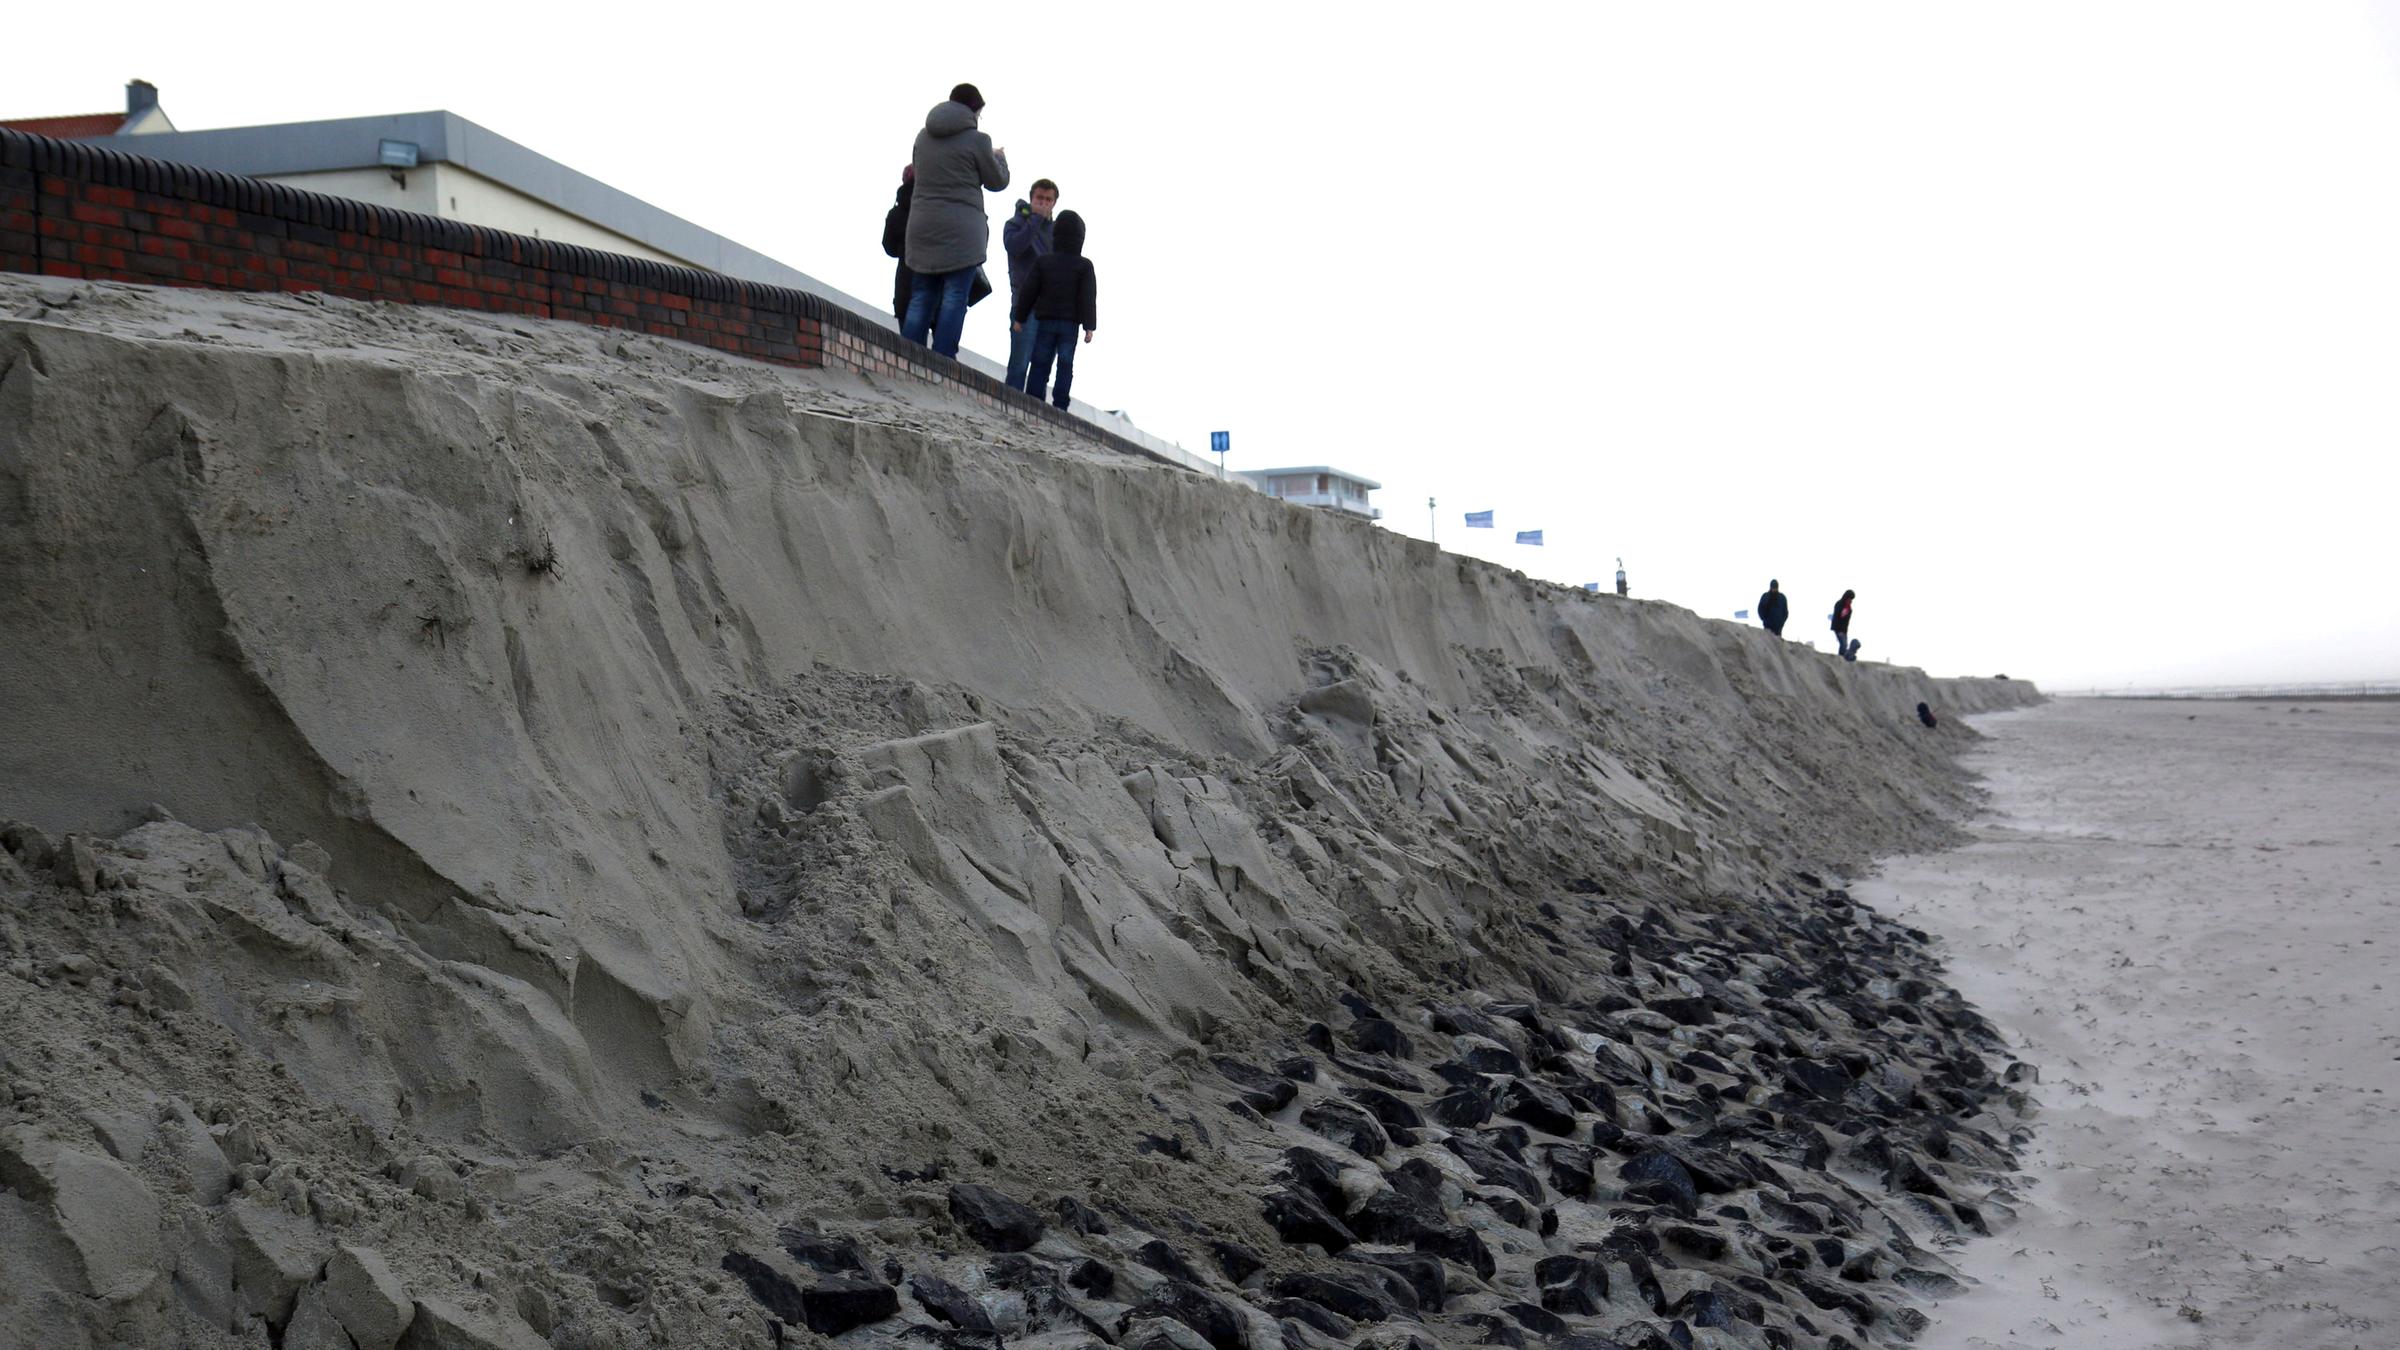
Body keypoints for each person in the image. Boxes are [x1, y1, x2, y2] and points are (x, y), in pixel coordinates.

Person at [903, 83, 1009, 358]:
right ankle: (941, 360)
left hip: (923, 226)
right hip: (962, 233)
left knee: (921, 296)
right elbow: (996, 182)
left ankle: (906, 357)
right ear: (973, 110)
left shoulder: (922, 137)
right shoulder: (978, 141)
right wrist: (1001, 160)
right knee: (954, 298)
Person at [1011, 209, 1096, 409]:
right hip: (1070, 324)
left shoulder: (1044, 261)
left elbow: (1029, 291)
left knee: (1040, 361)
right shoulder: (1084, 266)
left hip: (1045, 320)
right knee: (1065, 364)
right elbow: (1088, 297)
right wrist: (1089, 326)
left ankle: (1033, 399)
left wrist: (1020, 317)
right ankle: (1060, 404)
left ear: (1055, 235)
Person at [1003, 178, 1058, 389]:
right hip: (1024, 304)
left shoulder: (1057, 232)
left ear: (1054, 202)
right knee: (1019, 363)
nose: (1043, 203)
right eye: (1039, 198)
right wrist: (1034, 220)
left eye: (1048, 199)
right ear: (1031, 198)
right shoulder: (1015, 223)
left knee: (1042, 368)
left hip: (1050, 308)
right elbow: (1015, 247)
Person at [882, 165, 916, 324]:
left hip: (906, 278)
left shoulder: (896, 212)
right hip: (937, 276)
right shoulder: (935, 204)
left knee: (910, 344)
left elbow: (888, 246)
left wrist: (901, 248)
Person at [1831, 589, 1859, 661]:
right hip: (1838, 628)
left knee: (1844, 644)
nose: (1851, 600)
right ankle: (1840, 659)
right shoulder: (1839, 604)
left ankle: (1846, 657)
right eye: (1850, 598)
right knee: (1843, 644)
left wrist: (1845, 631)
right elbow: (1837, 617)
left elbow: (1846, 621)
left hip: (1844, 630)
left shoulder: (1849, 608)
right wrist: (1838, 629)